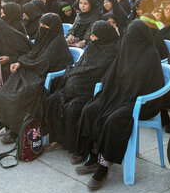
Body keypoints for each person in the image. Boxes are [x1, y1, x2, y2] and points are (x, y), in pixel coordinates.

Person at [73, 19, 165, 190]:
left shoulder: (151, 54)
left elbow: (153, 86)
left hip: (141, 101)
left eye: (132, 35)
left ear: (141, 37)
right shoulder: (126, 47)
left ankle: (103, 166)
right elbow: (114, 73)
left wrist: (132, 96)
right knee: (91, 109)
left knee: (113, 119)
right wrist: (109, 89)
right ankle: (92, 155)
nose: (128, 37)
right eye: (127, 33)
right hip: (119, 94)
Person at [0, 13, 73, 144]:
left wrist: (25, 64)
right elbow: (33, 54)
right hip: (34, 72)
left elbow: (45, 63)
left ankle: (20, 130)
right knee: (7, 91)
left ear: (52, 28)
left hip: (47, 77)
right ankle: (13, 126)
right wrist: (20, 62)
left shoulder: (57, 44)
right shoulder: (42, 39)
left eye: (45, 26)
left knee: (23, 94)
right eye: (40, 25)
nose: (41, 28)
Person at [44, 21, 119, 156]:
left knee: (73, 108)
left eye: (95, 36)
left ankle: (74, 146)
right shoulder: (93, 46)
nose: (92, 38)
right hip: (75, 87)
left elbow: (103, 73)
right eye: (92, 35)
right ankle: (58, 139)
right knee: (53, 100)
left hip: (91, 91)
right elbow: (81, 65)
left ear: (104, 35)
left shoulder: (113, 51)